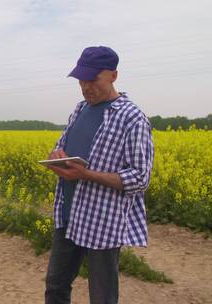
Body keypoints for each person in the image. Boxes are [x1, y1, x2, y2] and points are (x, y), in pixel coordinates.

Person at [44, 46, 154, 304]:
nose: (85, 86)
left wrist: (86, 175)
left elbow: (140, 178)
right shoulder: (80, 109)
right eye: (81, 80)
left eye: (92, 79)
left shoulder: (133, 118)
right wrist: (56, 157)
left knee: (102, 297)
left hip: (102, 221)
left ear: (113, 76)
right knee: (55, 287)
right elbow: (60, 146)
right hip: (68, 215)